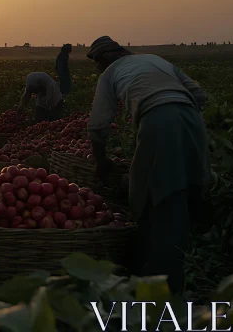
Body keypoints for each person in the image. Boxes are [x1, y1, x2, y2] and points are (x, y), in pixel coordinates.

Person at [85, 35, 210, 296]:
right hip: (192, 119)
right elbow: (198, 94)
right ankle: (195, 255)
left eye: (97, 63)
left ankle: (159, 279)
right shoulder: (154, 59)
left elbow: (98, 126)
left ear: (104, 58)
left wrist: (102, 161)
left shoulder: (109, 74)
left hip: (159, 118)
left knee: (154, 195)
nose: (98, 68)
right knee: (187, 186)